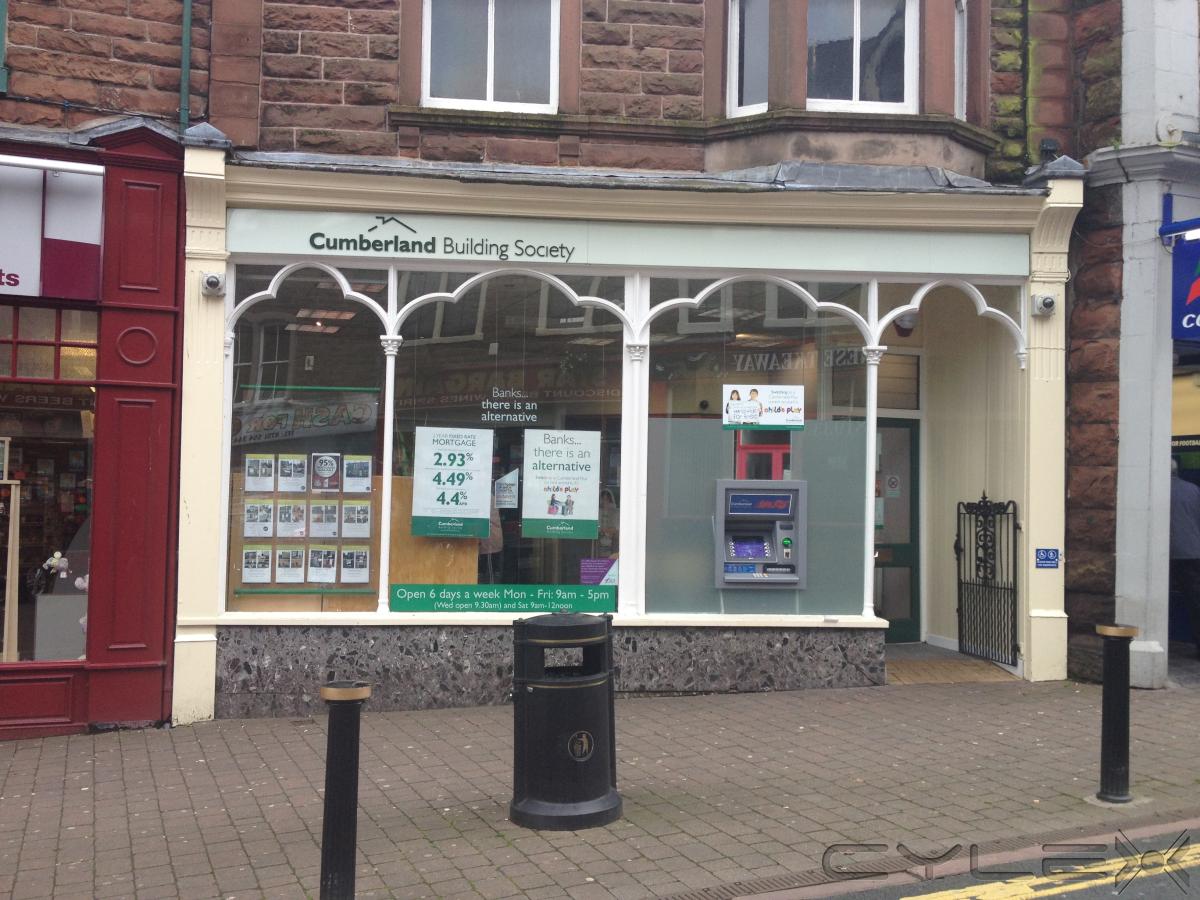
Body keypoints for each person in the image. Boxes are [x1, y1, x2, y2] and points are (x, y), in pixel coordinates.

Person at [1169, 457, 1200, 658]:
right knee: (1195, 601)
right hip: (1192, 552)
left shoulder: (1158, 491)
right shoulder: (1194, 490)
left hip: (1167, 554)